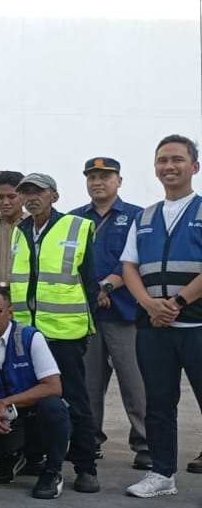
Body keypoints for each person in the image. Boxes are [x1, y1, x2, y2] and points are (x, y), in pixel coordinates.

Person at [122, 134, 202, 498]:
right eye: (162, 160)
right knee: (158, 403)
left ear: (194, 166)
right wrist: (149, 305)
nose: (169, 166)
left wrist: (177, 303)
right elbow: (129, 267)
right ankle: (162, 474)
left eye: (177, 159)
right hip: (153, 327)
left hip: (196, 324)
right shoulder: (145, 217)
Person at [10, 172, 100, 492]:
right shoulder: (20, 231)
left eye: (38, 191)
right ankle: (36, 457)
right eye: (26, 192)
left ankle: (85, 466)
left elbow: (91, 282)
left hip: (65, 332)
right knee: (34, 399)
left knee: (74, 399)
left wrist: (88, 326)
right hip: (28, 333)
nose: (30, 197)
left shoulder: (77, 227)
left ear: (54, 196)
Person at [70, 157, 149, 468]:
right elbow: (71, 262)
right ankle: (89, 440)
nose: (97, 182)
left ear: (119, 180)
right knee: (88, 384)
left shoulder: (136, 216)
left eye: (105, 176)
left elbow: (133, 259)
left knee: (135, 384)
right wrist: (92, 293)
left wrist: (106, 287)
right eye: (92, 177)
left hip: (125, 314)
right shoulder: (74, 219)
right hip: (87, 315)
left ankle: (145, 444)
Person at [0, 285, 70, 499]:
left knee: (53, 406)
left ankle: (52, 472)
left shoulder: (30, 337)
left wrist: (7, 402)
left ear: (10, 312)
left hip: (32, 418)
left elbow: (53, 386)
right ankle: (11, 458)